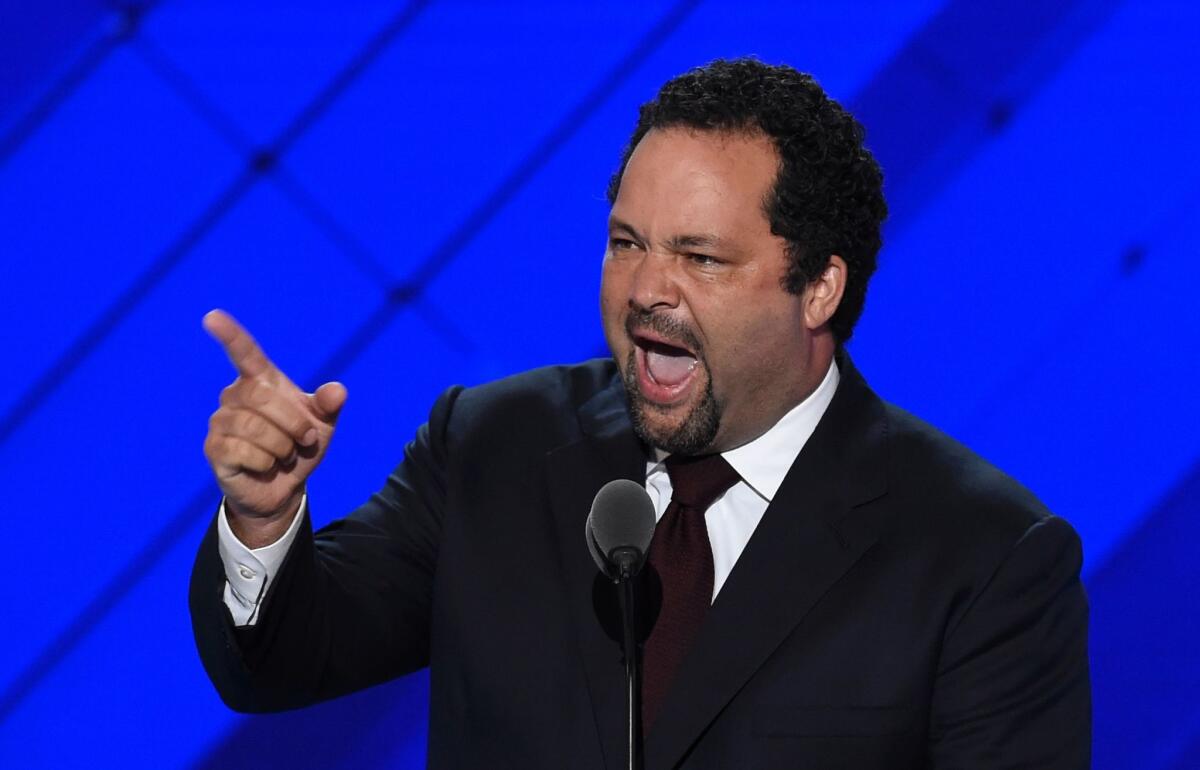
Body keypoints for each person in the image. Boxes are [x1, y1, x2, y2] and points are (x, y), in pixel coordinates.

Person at [190, 58, 1091, 768]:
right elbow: (279, 664)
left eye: (700, 258)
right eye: (627, 244)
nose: (646, 292)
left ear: (818, 288)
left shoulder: (981, 556)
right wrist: (263, 521)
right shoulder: (494, 446)